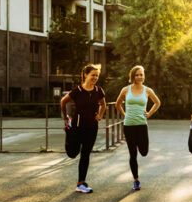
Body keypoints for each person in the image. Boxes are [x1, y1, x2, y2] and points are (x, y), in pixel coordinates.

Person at [60, 64, 106, 194]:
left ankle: (81, 183)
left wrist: (100, 115)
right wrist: (65, 118)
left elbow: (103, 104)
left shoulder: (99, 91)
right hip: (77, 126)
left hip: (92, 127)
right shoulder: (78, 91)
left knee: (85, 154)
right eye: (93, 75)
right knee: (73, 153)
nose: (95, 77)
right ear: (86, 75)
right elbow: (63, 102)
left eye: (97, 75)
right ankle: (68, 138)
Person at [115, 65, 161, 191]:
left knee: (144, 152)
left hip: (142, 125)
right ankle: (136, 180)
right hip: (128, 125)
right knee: (132, 154)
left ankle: (140, 153)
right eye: (137, 75)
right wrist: (124, 115)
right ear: (132, 77)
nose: (139, 77)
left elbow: (157, 102)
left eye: (141, 74)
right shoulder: (125, 90)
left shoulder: (147, 90)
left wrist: (149, 113)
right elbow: (118, 104)